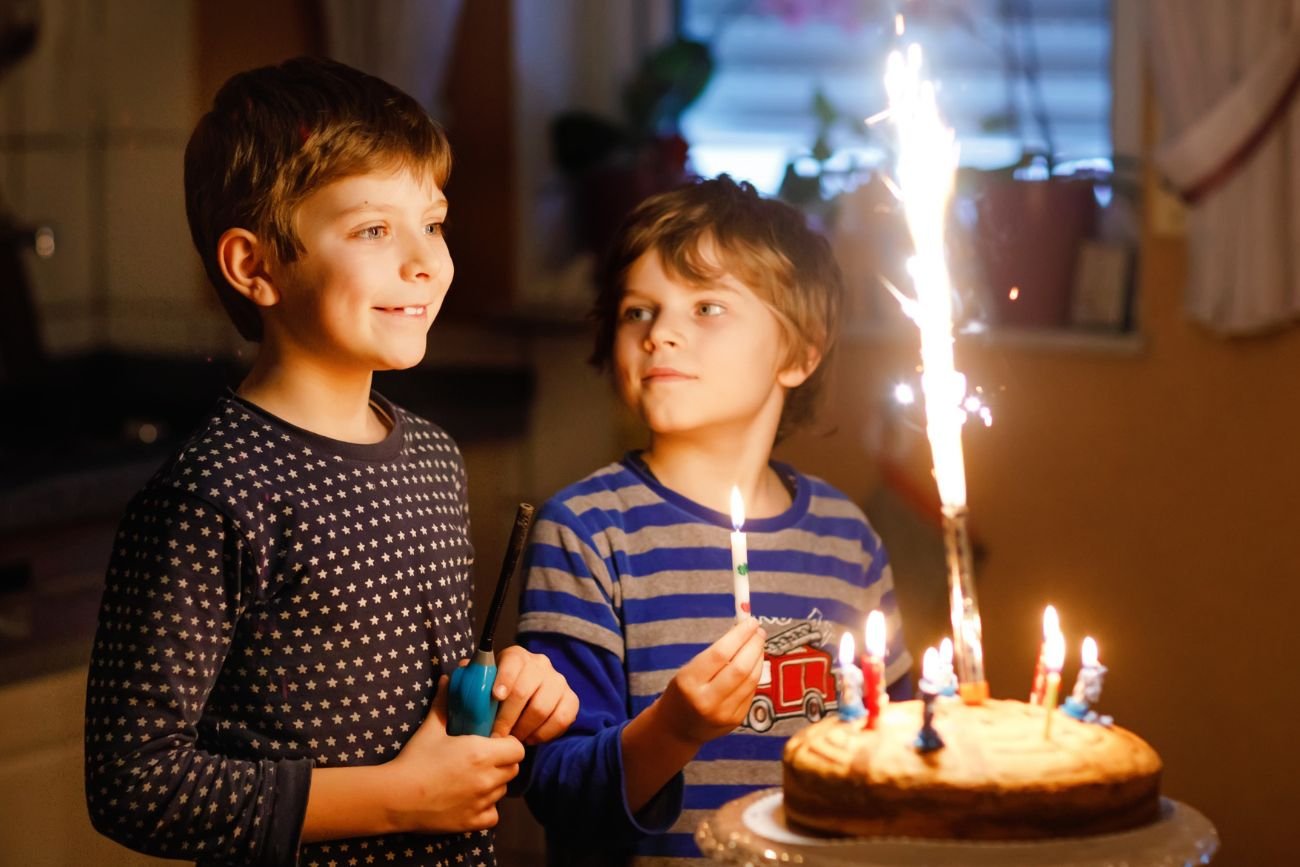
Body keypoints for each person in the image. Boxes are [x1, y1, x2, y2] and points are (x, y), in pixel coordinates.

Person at [83, 56, 578, 867]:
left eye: (434, 221)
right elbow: (137, 782)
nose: (424, 260)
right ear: (255, 265)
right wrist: (395, 797)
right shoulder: (214, 494)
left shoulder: (431, 457)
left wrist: (506, 697)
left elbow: (438, 728)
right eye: (374, 230)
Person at [516, 175, 912, 864]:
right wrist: (675, 728)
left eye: (707, 308)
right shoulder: (587, 531)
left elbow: (896, 744)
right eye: (639, 310)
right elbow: (558, 791)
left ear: (800, 352)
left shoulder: (845, 541)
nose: (661, 333)